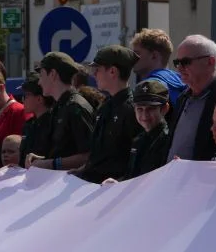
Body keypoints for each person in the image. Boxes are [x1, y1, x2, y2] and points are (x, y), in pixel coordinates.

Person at [73, 46, 143, 183]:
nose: (94, 74)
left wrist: (121, 182)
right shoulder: (105, 106)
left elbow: (136, 159)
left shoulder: (132, 110)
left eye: (97, 70)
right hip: (94, 186)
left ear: (112, 71)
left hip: (113, 191)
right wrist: (82, 170)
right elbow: (97, 155)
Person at [166, 35, 216, 163]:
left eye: (185, 62)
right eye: (177, 63)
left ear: (210, 61)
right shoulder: (183, 97)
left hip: (208, 178)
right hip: (175, 177)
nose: (179, 68)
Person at [26, 52, 95, 171]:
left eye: (41, 75)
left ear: (52, 74)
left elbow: (90, 156)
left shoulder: (76, 108)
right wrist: (41, 160)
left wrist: (51, 164)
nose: (39, 82)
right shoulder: (59, 107)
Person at [123, 80, 171, 180]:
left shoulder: (169, 140)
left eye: (151, 108)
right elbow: (131, 176)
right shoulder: (138, 141)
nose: (144, 115)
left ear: (164, 109)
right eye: (140, 109)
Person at [130, 28, 186, 109]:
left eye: (137, 53)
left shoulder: (149, 87)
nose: (133, 57)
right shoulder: (179, 79)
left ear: (154, 56)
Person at [19, 72, 54, 167]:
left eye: (26, 96)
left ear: (39, 99)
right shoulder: (29, 124)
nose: (23, 99)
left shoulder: (54, 124)